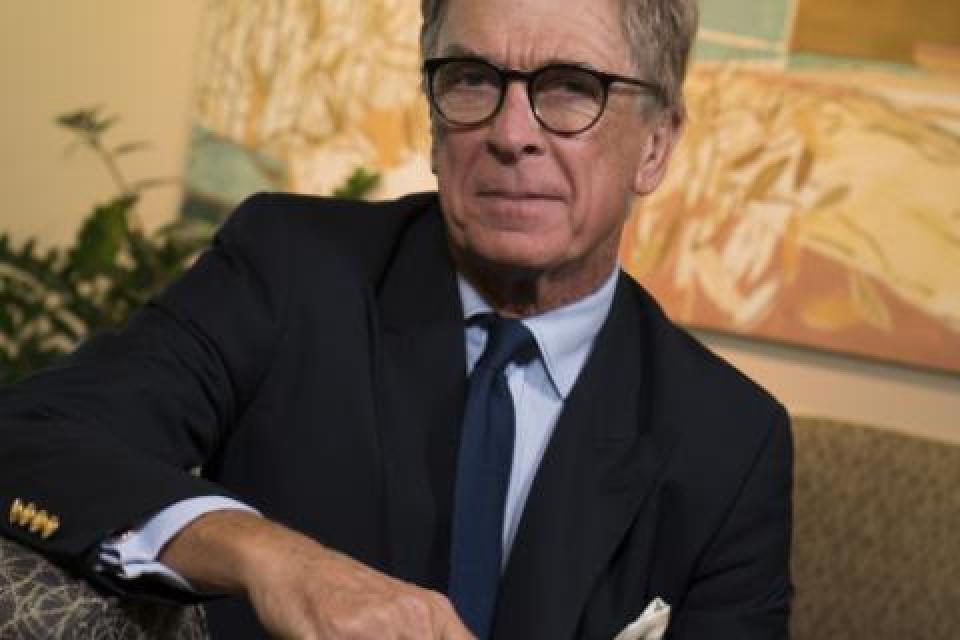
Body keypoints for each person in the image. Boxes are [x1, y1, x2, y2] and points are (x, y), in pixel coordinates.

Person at [0, 0, 793, 638]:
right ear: (434, 121)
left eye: (569, 88)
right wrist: (267, 555)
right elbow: (31, 436)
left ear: (656, 145)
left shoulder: (730, 442)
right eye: (473, 78)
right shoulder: (291, 269)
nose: (511, 133)